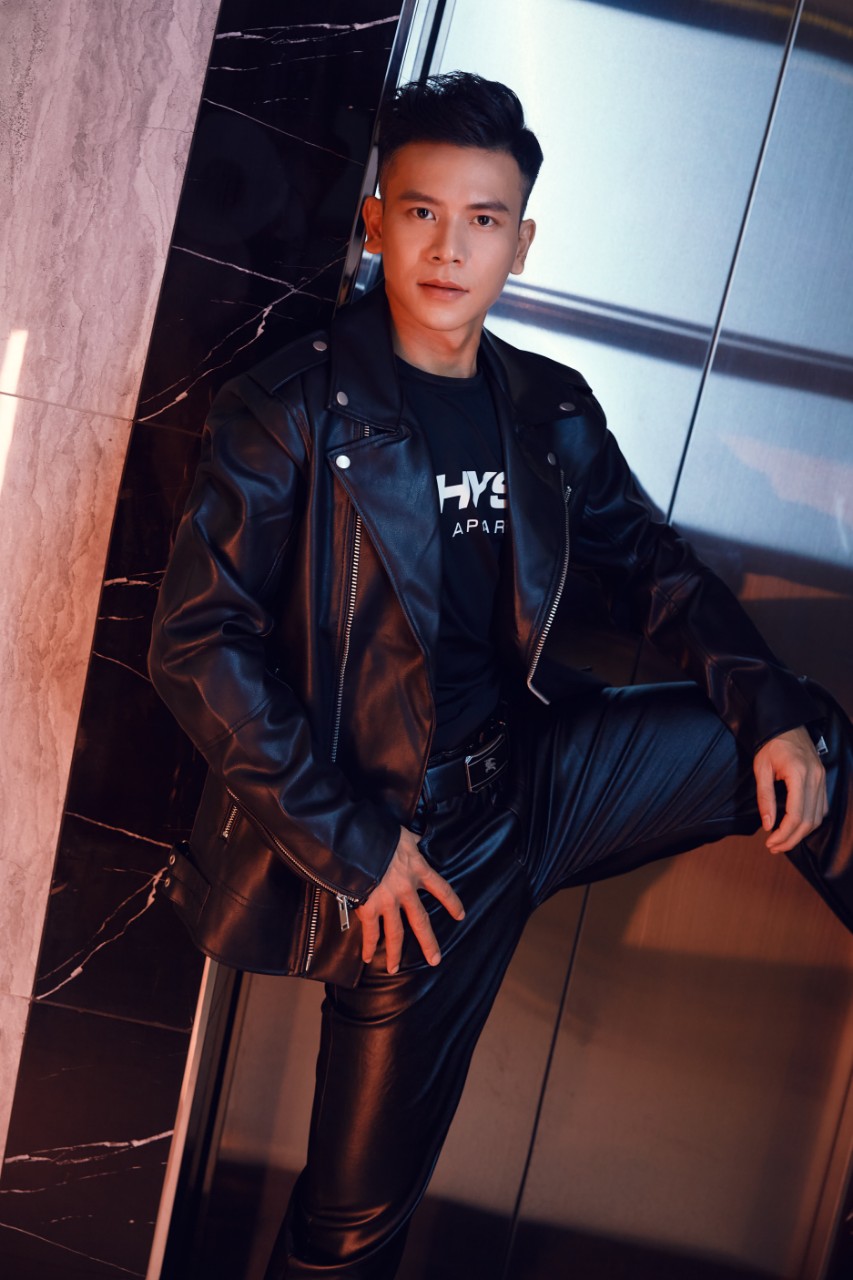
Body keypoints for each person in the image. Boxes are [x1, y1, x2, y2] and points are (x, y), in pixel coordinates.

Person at [148, 72, 852, 1279]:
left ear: (520, 244)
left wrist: (766, 707)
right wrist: (357, 847)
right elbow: (196, 640)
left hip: (539, 778)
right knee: (352, 1227)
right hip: (409, 849)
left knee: (802, 738)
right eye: (422, 212)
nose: (449, 247)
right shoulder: (290, 410)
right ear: (375, 221)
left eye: (482, 220)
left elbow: (654, 569)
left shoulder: (544, 407)